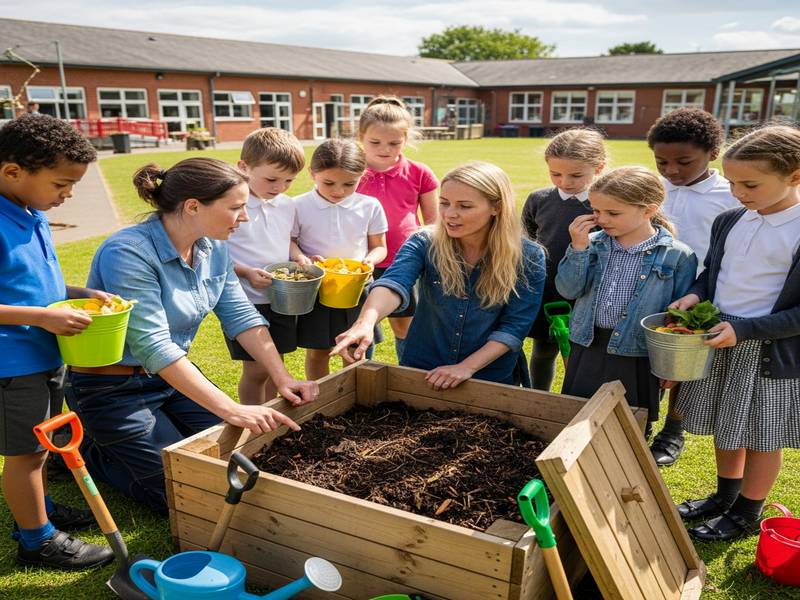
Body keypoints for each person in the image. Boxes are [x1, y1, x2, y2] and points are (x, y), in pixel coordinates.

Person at [64, 158, 318, 514]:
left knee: (235, 454)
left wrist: (282, 376)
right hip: (111, 390)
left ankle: (120, 441)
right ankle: (90, 450)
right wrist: (232, 408)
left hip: (170, 381)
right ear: (193, 207)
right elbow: (153, 345)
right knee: (188, 495)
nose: (243, 218)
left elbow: (241, 316)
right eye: (235, 208)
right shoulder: (128, 252)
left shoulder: (213, 246)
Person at [671, 125, 800, 542]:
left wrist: (745, 329)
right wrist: (694, 296)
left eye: (750, 184)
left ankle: (747, 510)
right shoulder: (730, 219)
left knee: (761, 434)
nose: (738, 192)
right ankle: (724, 496)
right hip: (719, 338)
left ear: (795, 175)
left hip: (767, 349)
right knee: (727, 425)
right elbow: (712, 275)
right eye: (731, 182)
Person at [0, 114, 114, 569]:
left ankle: (39, 509)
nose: (67, 196)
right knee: (25, 455)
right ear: (13, 172)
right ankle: (37, 541)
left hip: (44, 353)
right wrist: (43, 316)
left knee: (44, 445)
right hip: (12, 363)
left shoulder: (30, 210)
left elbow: (27, 280)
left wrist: (77, 294)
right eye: (61, 185)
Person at [332, 161, 546, 389]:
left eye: (464, 206)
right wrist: (366, 322)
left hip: (489, 376)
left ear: (497, 207)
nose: (450, 214)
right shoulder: (424, 242)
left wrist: (467, 367)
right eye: (444, 203)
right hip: (422, 369)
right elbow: (394, 282)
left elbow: (514, 327)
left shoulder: (529, 256)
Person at [555, 166, 697, 433]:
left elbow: (680, 319)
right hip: (589, 345)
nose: (601, 219)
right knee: (579, 420)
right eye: (596, 211)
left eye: (613, 213)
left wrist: (673, 364)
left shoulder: (678, 256)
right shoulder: (590, 244)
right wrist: (578, 248)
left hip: (639, 352)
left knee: (631, 425)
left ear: (648, 210)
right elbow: (568, 290)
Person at [646, 108, 741, 466]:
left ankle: (673, 431)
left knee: (684, 365)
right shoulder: (653, 188)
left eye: (684, 161)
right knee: (648, 360)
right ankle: (642, 421)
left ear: (712, 154)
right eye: (662, 161)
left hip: (700, 293)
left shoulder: (728, 194)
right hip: (652, 285)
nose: (671, 171)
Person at [291, 139, 388, 380]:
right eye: (329, 183)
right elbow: (290, 241)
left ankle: (357, 395)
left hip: (356, 287)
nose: (338, 191)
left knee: (357, 349)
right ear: (312, 173)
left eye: (349, 184)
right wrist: (301, 257)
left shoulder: (369, 206)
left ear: (362, 176)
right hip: (318, 287)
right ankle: (319, 395)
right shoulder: (298, 206)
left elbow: (380, 248)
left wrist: (369, 261)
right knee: (318, 351)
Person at [225, 128, 307, 406]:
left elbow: (286, 240)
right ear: (244, 168)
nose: (280, 187)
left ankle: (271, 415)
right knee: (257, 370)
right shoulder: (232, 205)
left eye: (289, 181)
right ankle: (253, 417)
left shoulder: (287, 205)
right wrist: (245, 272)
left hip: (281, 297)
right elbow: (216, 254)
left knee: (277, 364)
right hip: (244, 299)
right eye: (272, 179)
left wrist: (297, 256)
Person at [521, 128, 606, 391]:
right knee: (544, 350)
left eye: (576, 175)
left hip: (589, 292)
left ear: (598, 168)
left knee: (583, 354)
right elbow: (528, 239)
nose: (565, 182)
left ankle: (578, 402)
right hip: (547, 292)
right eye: (555, 174)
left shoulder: (603, 204)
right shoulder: (539, 199)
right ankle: (540, 396)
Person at [357, 96, 439, 360]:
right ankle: (358, 376)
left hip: (405, 261)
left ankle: (407, 375)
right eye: (375, 142)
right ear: (361, 137)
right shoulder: (351, 172)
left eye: (394, 143)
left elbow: (433, 222)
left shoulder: (419, 172)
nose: (385, 149)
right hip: (360, 262)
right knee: (362, 323)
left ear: (406, 139)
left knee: (405, 326)